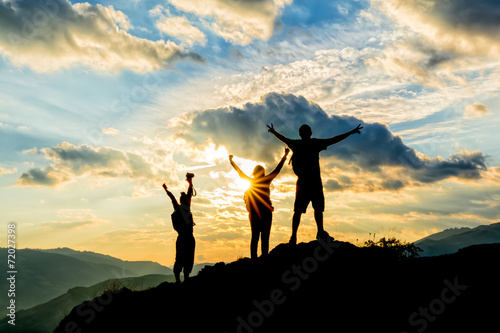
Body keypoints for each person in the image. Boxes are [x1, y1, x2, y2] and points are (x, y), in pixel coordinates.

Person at [267, 123, 363, 244]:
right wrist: (350, 132)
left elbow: (284, 139)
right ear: (310, 133)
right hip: (315, 182)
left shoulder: (296, 144)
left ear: (300, 134)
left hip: (303, 183)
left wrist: (274, 132)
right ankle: (319, 231)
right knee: (316, 209)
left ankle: (294, 236)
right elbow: (334, 140)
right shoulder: (315, 143)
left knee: (299, 211)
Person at [229, 148, 290, 259]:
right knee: (265, 238)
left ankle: (254, 260)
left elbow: (239, 172)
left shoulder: (251, 182)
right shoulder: (266, 180)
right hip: (266, 212)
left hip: (254, 213)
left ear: (254, 173)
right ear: (262, 172)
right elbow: (277, 170)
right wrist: (285, 155)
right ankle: (264, 259)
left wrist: (232, 162)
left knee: (255, 237)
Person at [162, 174, 196, 283]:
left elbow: (172, 198)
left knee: (180, 258)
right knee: (188, 258)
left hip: (181, 238)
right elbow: (190, 192)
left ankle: (178, 280)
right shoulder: (187, 208)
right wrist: (190, 182)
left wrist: (166, 190)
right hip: (189, 238)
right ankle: (184, 278)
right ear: (186, 201)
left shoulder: (178, 208)